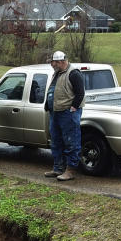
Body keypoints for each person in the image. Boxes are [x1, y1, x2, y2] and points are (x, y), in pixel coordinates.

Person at [44, 51, 85, 181]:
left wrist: (73, 107)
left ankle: (70, 170)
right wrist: (47, 104)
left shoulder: (73, 73)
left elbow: (80, 93)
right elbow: (53, 90)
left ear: (62, 62)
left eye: (54, 63)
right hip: (55, 112)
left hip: (68, 113)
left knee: (71, 141)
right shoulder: (57, 73)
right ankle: (58, 168)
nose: (52, 65)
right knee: (56, 141)